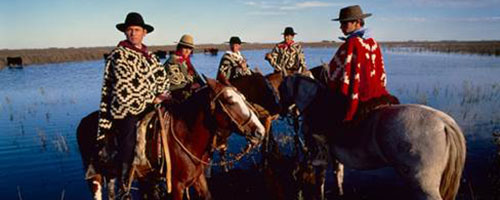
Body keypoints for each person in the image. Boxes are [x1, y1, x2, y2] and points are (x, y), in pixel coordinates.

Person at [96, 12, 168, 194]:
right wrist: (153, 98)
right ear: (125, 33)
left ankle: (162, 175)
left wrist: (164, 94)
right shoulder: (118, 55)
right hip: (126, 107)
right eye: (129, 30)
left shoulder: (150, 56)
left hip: (152, 104)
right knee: (128, 138)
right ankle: (124, 183)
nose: (133, 33)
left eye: (136, 30)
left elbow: (163, 79)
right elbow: (125, 87)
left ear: (144, 32)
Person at [328, 5, 399, 125]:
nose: (341, 27)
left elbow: (333, 71)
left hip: (360, 96)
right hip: (378, 93)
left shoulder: (351, 43)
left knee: (330, 111)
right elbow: (380, 71)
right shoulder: (373, 42)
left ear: (357, 22)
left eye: (345, 24)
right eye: (341, 24)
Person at [163, 34, 204, 103]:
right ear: (179, 47)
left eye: (190, 48)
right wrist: (191, 86)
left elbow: (198, 79)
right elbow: (174, 85)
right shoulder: (173, 61)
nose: (187, 51)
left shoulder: (186, 62)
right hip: (176, 97)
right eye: (185, 48)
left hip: (188, 94)